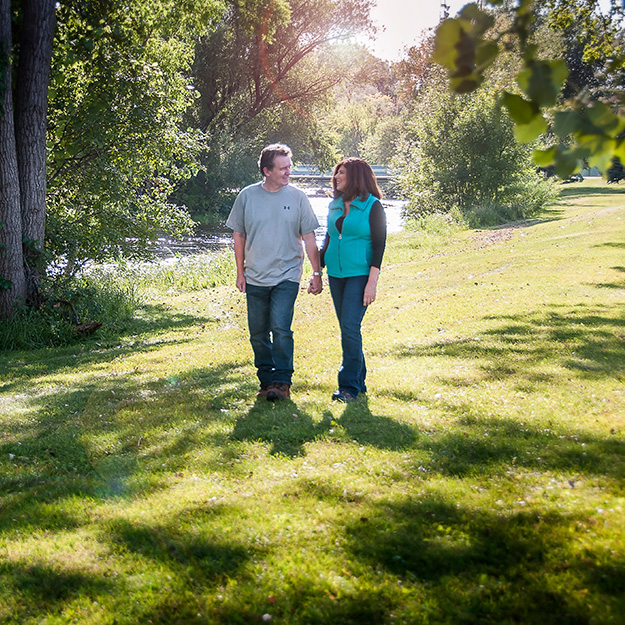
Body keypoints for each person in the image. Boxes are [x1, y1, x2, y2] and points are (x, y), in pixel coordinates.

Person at [226, 144, 323, 401]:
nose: (288, 172)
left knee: (281, 327)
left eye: (289, 167)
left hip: (287, 275)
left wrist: (316, 273)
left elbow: (309, 237)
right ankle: (266, 381)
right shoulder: (247, 197)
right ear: (266, 170)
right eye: (283, 168)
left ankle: (282, 382)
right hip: (255, 275)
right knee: (258, 333)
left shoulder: (298, 197)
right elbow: (239, 235)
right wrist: (240, 272)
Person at [321, 157, 387, 403]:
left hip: (359, 275)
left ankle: (348, 387)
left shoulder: (373, 206)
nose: (336, 177)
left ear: (356, 177)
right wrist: (317, 269)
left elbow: (379, 245)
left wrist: (372, 282)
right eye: (336, 173)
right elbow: (328, 238)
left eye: (342, 173)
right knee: (348, 329)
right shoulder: (335, 205)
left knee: (349, 326)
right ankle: (359, 382)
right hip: (335, 275)